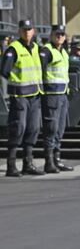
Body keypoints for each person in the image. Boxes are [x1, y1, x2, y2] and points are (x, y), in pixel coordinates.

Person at [1, 20, 44, 177]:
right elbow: (4, 71)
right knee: (18, 129)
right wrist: (16, 84)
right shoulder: (14, 49)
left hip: (34, 95)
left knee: (33, 129)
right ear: (19, 31)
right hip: (20, 97)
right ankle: (11, 166)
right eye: (24, 29)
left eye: (29, 29)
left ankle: (28, 164)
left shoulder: (35, 48)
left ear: (33, 31)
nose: (27, 32)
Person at [39, 24, 74, 173]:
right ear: (51, 35)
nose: (59, 36)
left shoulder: (63, 52)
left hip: (62, 94)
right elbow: (39, 70)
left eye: (62, 34)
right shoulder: (47, 51)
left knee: (59, 130)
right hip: (51, 94)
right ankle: (49, 162)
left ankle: (57, 160)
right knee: (51, 129)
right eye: (57, 34)